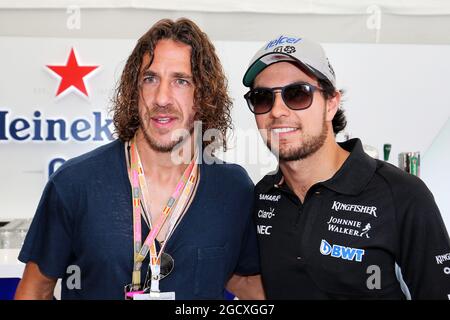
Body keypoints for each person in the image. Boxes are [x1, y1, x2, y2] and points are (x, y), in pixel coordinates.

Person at [15, 18, 264, 300]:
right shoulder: (75, 183)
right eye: (150, 78)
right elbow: (34, 290)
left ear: (203, 96)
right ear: (135, 91)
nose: (161, 98)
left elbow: (247, 284)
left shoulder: (232, 188)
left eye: (181, 81)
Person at [242, 35, 450, 299]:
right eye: (262, 98)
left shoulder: (402, 195)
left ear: (331, 104)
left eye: (297, 94)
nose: (278, 111)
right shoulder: (263, 195)